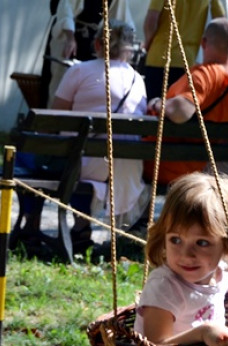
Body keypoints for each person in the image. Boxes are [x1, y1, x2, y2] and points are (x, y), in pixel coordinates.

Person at [135, 172, 228, 346]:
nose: (186, 254)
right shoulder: (165, 287)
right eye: (175, 240)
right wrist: (204, 332)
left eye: (201, 243)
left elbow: (219, 285)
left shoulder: (217, 272)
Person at [52, 20, 147, 247]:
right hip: (127, 167)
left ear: (97, 44)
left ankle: (34, 224)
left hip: (86, 163)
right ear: (128, 49)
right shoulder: (138, 81)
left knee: (35, 155)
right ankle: (85, 228)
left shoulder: (79, 71)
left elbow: (54, 118)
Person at [147, 18, 228, 186]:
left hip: (163, 168)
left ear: (203, 42)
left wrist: (157, 103)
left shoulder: (201, 76)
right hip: (199, 171)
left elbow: (179, 113)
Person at [41, 0, 135, 107]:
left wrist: (127, 46)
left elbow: (124, 20)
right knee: (60, 81)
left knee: (90, 82)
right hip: (70, 35)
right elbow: (65, 10)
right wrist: (70, 38)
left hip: (96, 42)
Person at [143, 0, 225, 99]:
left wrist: (148, 42)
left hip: (159, 58)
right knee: (178, 110)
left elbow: (151, 19)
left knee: (154, 108)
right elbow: (221, 22)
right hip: (187, 61)